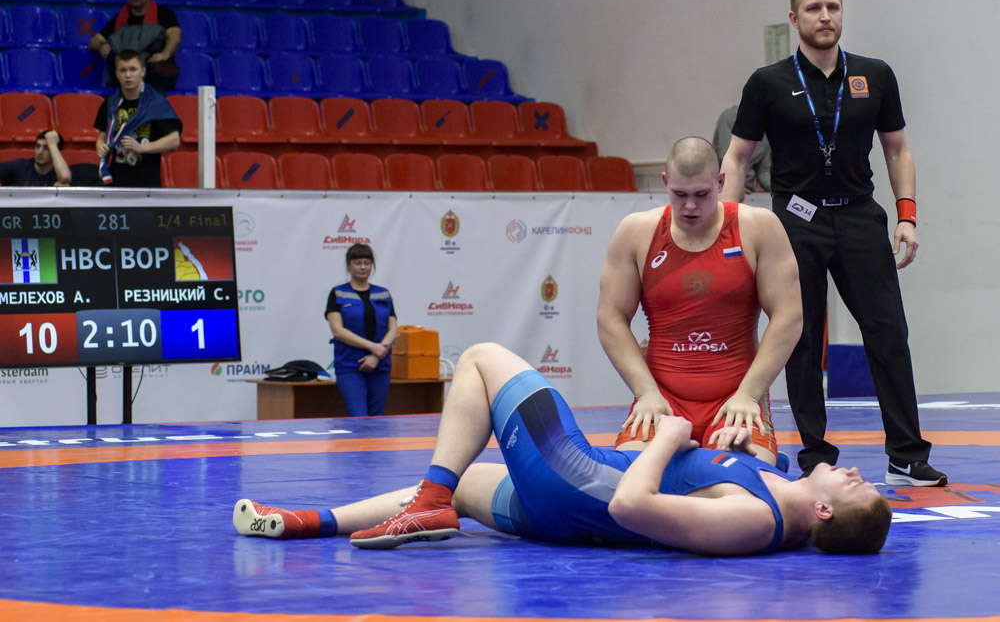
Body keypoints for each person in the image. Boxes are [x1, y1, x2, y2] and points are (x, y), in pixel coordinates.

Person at [233, 342, 892, 556]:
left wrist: (667, 438)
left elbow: (633, 506)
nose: (856, 470)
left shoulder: (754, 520)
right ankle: (305, 521)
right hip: (562, 511)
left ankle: (432, 499)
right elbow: (715, 476)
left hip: (577, 479)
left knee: (481, 357)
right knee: (465, 483)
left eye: (855, 485)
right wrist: (742, 447)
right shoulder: (774, 484)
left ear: (825, 512)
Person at [719, 0, 946, 486]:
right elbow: (736, 157)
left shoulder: (874, 75)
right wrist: (728, 225)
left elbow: (897, 148)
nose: (825, 16)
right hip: (795, 221)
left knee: (889, 331)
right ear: (794, 20)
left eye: (833, 7)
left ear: (842, 14)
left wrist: (907, 215)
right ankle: (816, 456)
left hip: (860, 215)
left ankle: (906, 455)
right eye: (814, 8)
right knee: (800, 336)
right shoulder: (767, 82)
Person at [596, 137, 802, 467]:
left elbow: (788, 316)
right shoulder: (636, 232)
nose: (690, 206)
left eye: (701, 194)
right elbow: (611, 317)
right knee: (628, 478)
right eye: (680, 195)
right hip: (662, 400)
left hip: (735, 399)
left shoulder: (758, 227)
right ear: (665, 183)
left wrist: (749, 394)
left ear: (720, 183)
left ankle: (765, 463)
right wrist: (645, 392)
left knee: (740, 483)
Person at [325, 243, 398, 416]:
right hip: (350, 366)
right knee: (359, 417)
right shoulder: (337, 293)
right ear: (349, 265)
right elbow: (338, 331)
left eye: (367, 262)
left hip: (380, 365)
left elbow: (393, 329)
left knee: (377, 419)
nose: (363, 267)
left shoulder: (383, 293)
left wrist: (377, 355)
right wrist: (373, 347)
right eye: (358, 263)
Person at [93, 49, 182, 188]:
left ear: (143, 71)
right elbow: (102, 136)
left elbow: (174, 140)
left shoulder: (155, 102)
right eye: (123, 70)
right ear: (116, 73)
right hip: (116, 182)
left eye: (133, 69)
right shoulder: (110, 104)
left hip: (147, 184)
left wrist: (142, 148)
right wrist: (100, 145)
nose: (128, 75)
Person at [88, 0, 181, 93]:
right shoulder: (119, 19)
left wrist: (164, 54)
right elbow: (94, 42)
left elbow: (175, 36)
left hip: (156, 79)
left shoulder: (164, 14)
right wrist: (101, 46)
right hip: (128, 77)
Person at [712, 105, 771, 193]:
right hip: (724, 187)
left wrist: (779, 189)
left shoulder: (766, 130)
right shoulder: (729, 117)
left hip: (748, 190)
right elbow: (724, 158)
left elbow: (763, 171)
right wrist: (735, 187)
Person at [0, 131, 71, 186]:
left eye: (46, 148)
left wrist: (52, 144)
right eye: (37, 146)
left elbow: (65, 178)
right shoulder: (20, 166)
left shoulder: (60, 172)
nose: (40, 152)